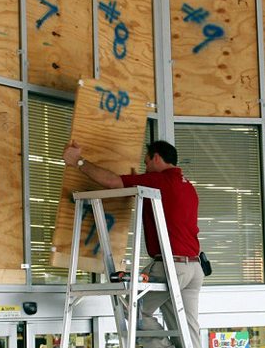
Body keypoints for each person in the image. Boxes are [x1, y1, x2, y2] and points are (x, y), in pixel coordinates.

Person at [63, 139, 203, 348]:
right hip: (193, 268)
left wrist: (79, 162)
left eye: (147, 163)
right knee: (186, 328)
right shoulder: (186, 186)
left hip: (171, 266)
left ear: (156, 158)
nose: (146, 168)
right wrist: (140, 180)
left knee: (132, 306)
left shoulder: (159, 181)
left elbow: (112, 182)